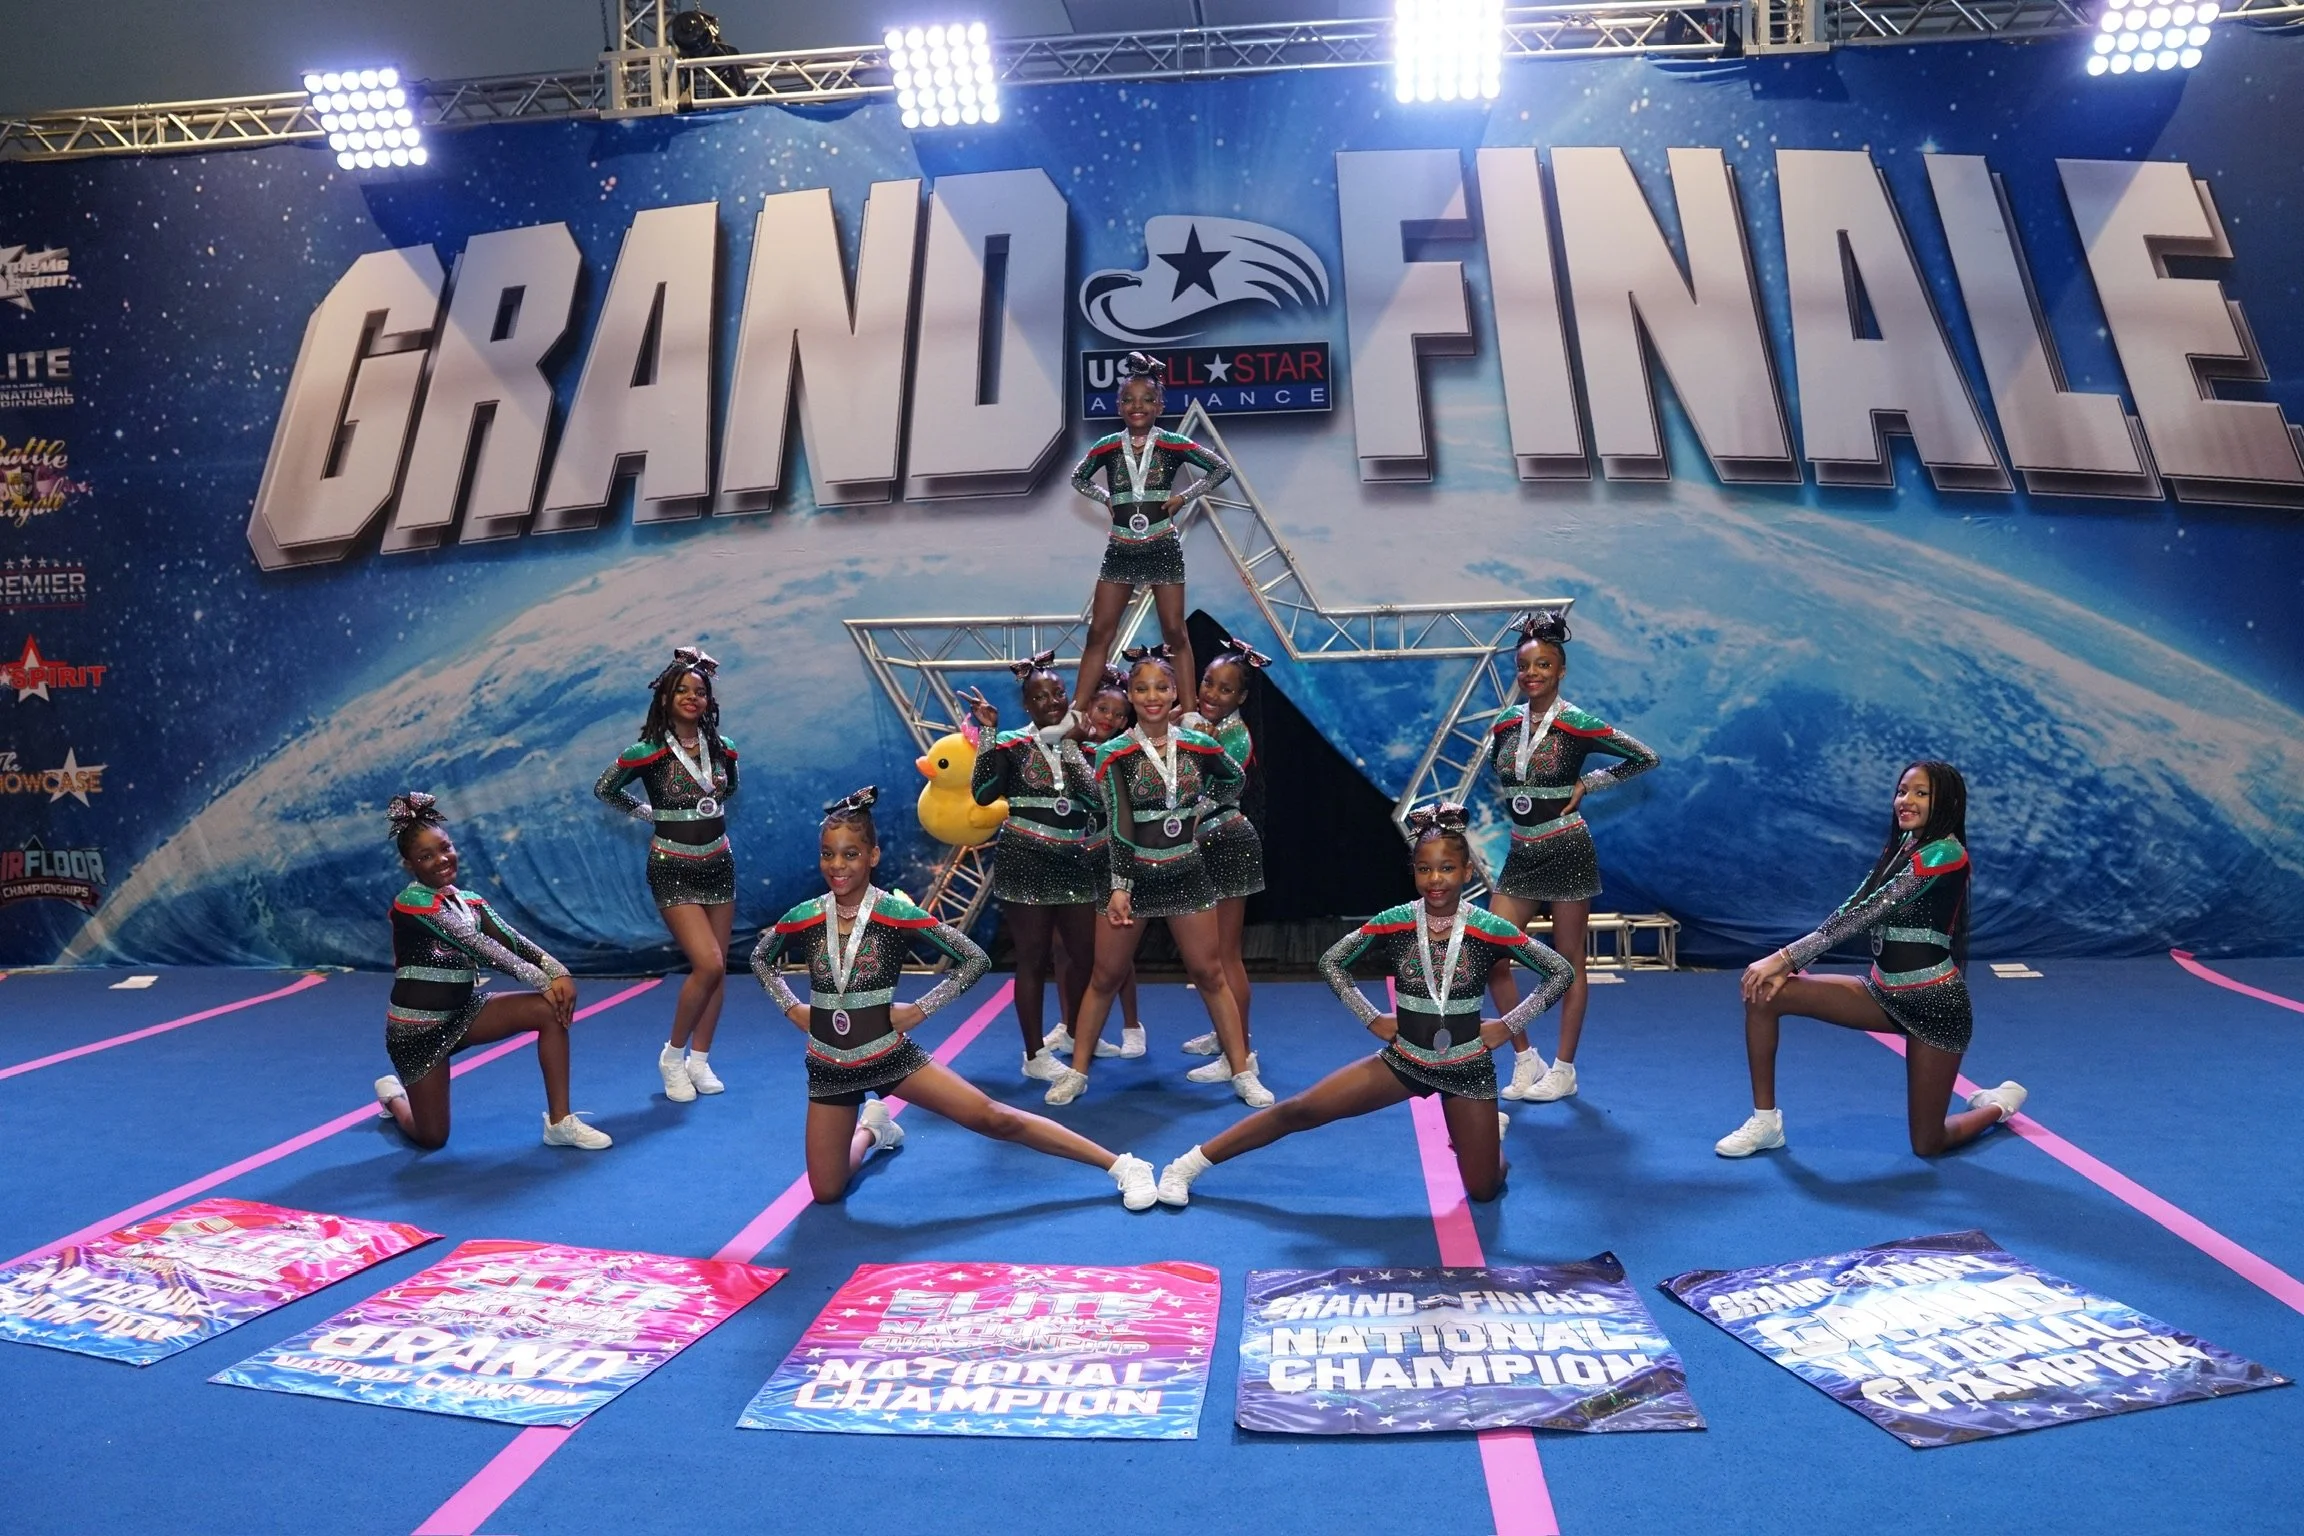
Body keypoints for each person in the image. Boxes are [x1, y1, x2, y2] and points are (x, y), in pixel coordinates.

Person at [749, 787, 1159, 1208]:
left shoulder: (895, 913)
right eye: (828, 854)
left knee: (994, 1118)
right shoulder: (805, 915)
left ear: (873, 856)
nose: (837, 865)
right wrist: (791, 1007)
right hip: (828, 1064)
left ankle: (1121, 1165)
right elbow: (761, 957)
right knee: (827, 1191)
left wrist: (920, 1010)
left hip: (886, 1054)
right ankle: (873, 1130)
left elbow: (975, 959)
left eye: (850, 854)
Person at [1154, 803, 1571, 1206]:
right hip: (1406, 1059)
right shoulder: (1396, 920)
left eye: (1446, 868)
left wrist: (1508, 1025)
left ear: (1466, 872)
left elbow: (1560, 972)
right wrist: (1371, 1018)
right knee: (1300, 1110)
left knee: (1483, 1189)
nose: (1435, 879)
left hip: (1468, 1068)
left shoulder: (1489, 928)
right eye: (1424, 869)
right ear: (1413, 872)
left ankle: (1488, 1136)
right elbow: (1332, 962)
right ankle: (1189, 1164)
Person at [1715, 759, 2026, 1159]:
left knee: (1928, 1143)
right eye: (1901, 791)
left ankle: (1997, 1105)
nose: (1905, 801)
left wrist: (1785, 958)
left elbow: (1868, 915)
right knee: (1764, 994)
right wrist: (1784, 964)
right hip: (1882, 993)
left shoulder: (1945, 853)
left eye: (1921, 793)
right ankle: (1765, 1122)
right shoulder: (1903, 847)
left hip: (1934, 1007)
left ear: (1946, 802)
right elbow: (1852, 906)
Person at [1045, 648, 1267, 1109]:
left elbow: (1234, 781)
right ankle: (1077, 1072)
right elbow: (1120, 823)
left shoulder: (1198, 743)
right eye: (1142, 688)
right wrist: (1120, 885)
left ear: (1174, 694)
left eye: (1161, 688)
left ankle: (1242, 1071)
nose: (1152, 696)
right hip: (1135, 875)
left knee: (1210, 973)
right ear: (1130, 693)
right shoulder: (1116, 751)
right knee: (1105, 976)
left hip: (1186, 870)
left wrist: (1201, 801)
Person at [1480, 610, 1659, 1105]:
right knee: (1491, 954)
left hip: (1566, 848)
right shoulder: (1505, 723)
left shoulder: (1577, 722)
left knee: (1567, 963)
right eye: (1524, 666)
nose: (1532, 674)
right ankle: (1525, 1058)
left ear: (1561, 670)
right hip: (1522, 851)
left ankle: (1564, 1069)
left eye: (1543, 665)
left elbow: (1645, 757)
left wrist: (1589, 782)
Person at [373, 793, 609, 1151]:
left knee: (548, 1011)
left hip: (462, 1014)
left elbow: (512, 941)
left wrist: (558, 972)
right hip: (417, 1031)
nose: (441, 859)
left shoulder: (468, 901)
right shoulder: (412, 903)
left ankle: (560, 1122)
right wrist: (541, 980)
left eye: (445, 848)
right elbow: (480, 946)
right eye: (426, 856)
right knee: (432, 1137)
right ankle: (393, 1097)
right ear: (409, 865)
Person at [594, 646, 741, 1104]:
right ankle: (673, 1056)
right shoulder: (648, 751)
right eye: (682, 690)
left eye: (700, 691)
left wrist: (712, 796)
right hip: (672, 865)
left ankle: (700, 1059)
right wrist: (648, 812)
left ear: (709, 701)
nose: (692, 697)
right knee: (708, 963)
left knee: (718, 971)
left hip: (718, 862)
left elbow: (730, 786)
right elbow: (605, 788)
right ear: (665, 698)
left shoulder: (723, 747)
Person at [1063, 353, 1232, 725]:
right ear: (1118, 405)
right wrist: (1105, 498)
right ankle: (1075, 713)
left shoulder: (1172, 443)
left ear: (1160, 405)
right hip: (1121, 547)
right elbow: (1078, 477)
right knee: (1100, 630)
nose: (1136, 406)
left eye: (1146, 399)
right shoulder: (1108, 445)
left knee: (1175, 631)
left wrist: (1184, 497)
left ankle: (1190, 713)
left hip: (1161, 545)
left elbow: (1220, 468)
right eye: (1128, 399)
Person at [962, 650, 1102, 1083]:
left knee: (1085, 956)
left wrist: (1072, 744)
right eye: (1040, 697)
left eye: (1057, 693)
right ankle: (1034, 1053)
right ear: (1026, 705)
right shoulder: (1011, 744)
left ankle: (1076, 1033)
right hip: (1025, 859)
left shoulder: (1086, 744)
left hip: (1074, 860)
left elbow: (1096, 802)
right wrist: (988, 733)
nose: (1051, 702)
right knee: (1033, 958)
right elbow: (983, 793)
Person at [1179, 639, 1270, 1077]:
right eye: (1208, 682)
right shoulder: (1199, 726)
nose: (1212, 694)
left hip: (1227, 843)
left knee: (1226, 956)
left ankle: (1241, 1053)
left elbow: (1197, 794)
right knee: (1209, 956)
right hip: (1206, 844)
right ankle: (1224, 1033)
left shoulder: (1232, 737)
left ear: (1242, 697)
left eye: (1226, 689)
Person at [1047, 667, 1145, 1060]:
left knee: (1114, 952)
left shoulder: (1123, 755)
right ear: (1087, 708)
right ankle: (1068, 1023)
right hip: (1071, 857)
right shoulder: (1065, 746)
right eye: (1102, 708)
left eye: (1118, 714)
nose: (1109, 718)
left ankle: (1132, 1025)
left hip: (1109, 857)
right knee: (1064, 947)